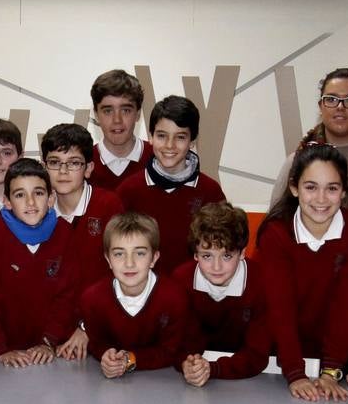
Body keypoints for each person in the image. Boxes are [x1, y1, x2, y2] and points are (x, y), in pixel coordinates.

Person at [253, 144, 348, 402]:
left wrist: (331, 371)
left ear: (344, 192)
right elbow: (280, 309)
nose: (321, 199)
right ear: (294, 187)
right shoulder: (275, 234)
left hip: (342, 360)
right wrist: (295, 373)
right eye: (311, 187)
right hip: (283, 360)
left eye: (332, 188)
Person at [0, 158, 81, 367]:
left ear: (51, 199)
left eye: (39, 193)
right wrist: (0, 349)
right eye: (20, 195)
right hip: (0, 356)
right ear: (6, 201)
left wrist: (47, 341)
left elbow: (68, 297)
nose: (31, 203)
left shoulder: (65, 233)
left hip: (52, 353)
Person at [115, 95, 227, 278]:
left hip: (194, 295)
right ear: (150, 137)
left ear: (192, 141)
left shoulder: (210, 192)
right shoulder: (128, 190)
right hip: (143, 295)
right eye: (161, 136)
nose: (169, 145)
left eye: (180, 137)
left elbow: (221, 252)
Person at [43, 122, 126, 360]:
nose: (63, 171)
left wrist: (86, 328)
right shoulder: (37, 212)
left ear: (89, 168)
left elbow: (122, 276)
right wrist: (47, 337)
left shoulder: (109, 205)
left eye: (74, 163)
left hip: (102, 335)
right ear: (44, 166)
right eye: (55, 162)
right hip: (53, 341)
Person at [79, 212, 189, 379]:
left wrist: (130, 359)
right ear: (108, 259)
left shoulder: (174, 298)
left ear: (154, 258)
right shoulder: (92, 299)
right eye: (119, 254)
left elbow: (170, 350)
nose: (129, 263)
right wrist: (106, 356)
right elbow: (97, 343)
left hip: (161, 384)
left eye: (139, 253)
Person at [174, 202, 271, 385]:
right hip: (195, 378)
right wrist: (186, 363)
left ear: (242, 253)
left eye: (226, 256)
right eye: (207, 256)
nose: (216, 267)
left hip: (246, 384)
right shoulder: (181, 281)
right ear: (195, 254)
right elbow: (177, 342)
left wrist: (212, 368)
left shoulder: (261, 283)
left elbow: (257, 355)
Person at [268, 67, 348, 205]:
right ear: (321, 107)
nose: (340, 106)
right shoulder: (297, 161)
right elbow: (275, 220)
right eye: (331, 99)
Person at [87, 69, 151, 193]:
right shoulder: (82, 164)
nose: (117, 120)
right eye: (108, 111)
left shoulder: (158, 159)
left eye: (125, 110)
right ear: (96, 114)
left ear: (138, 113)